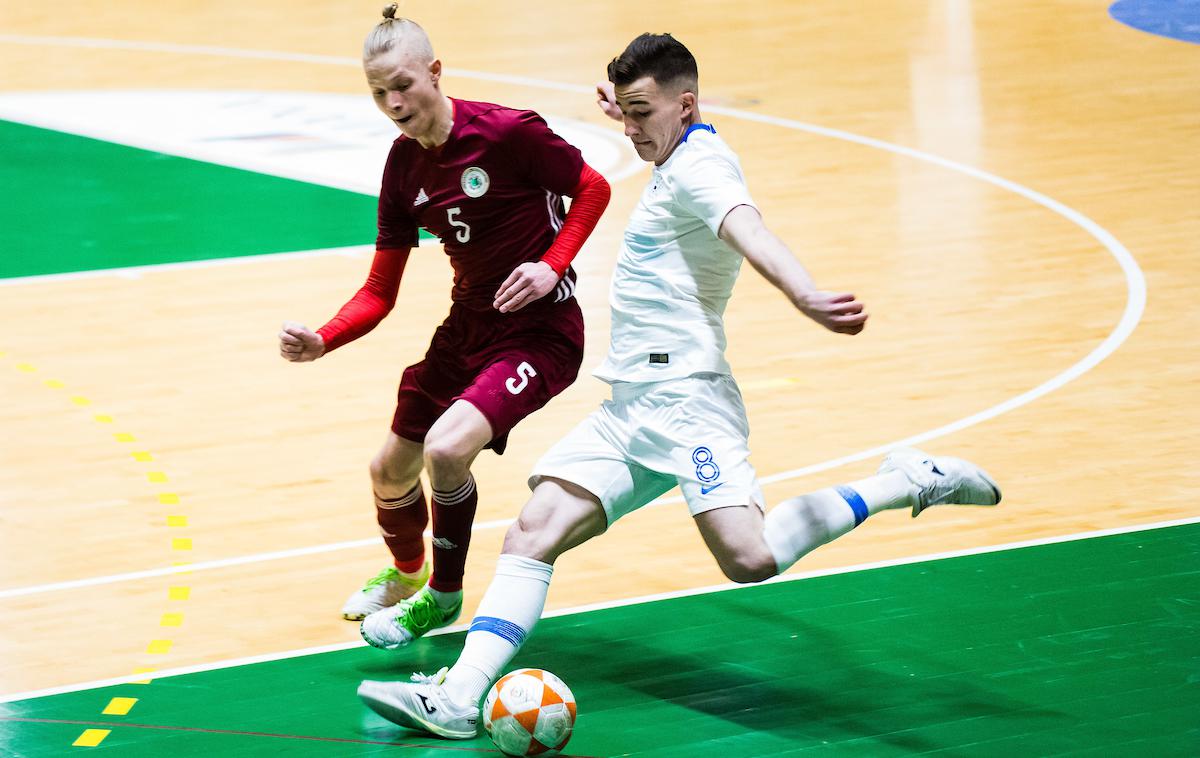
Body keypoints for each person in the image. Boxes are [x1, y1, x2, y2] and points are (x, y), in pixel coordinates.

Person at [356, 32, 1000, 739]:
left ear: (684, 105)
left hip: (689, 406)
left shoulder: (703, 170)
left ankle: (908, 480)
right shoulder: (675, 145)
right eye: (623, 112)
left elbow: (747, 228)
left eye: (639, 113)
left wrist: (805, 294)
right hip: (630, 405)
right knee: (531, 533)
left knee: (749, 558)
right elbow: (659, 135)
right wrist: (630, 113)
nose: (628, 129)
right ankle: (456, 699)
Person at [278, 5, 611, 645]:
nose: (394, 102)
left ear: (435, 71)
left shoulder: (509, 133)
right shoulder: (403, 168)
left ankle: (443, 596)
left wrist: (551, 266)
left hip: (543, 333)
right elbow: (380, 290)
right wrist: (325, 338)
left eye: (402, 84)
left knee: (446, 448)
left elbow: (593, 188)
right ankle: (407, 573)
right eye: (379, 93)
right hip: (466, 331)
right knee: (388, 471)